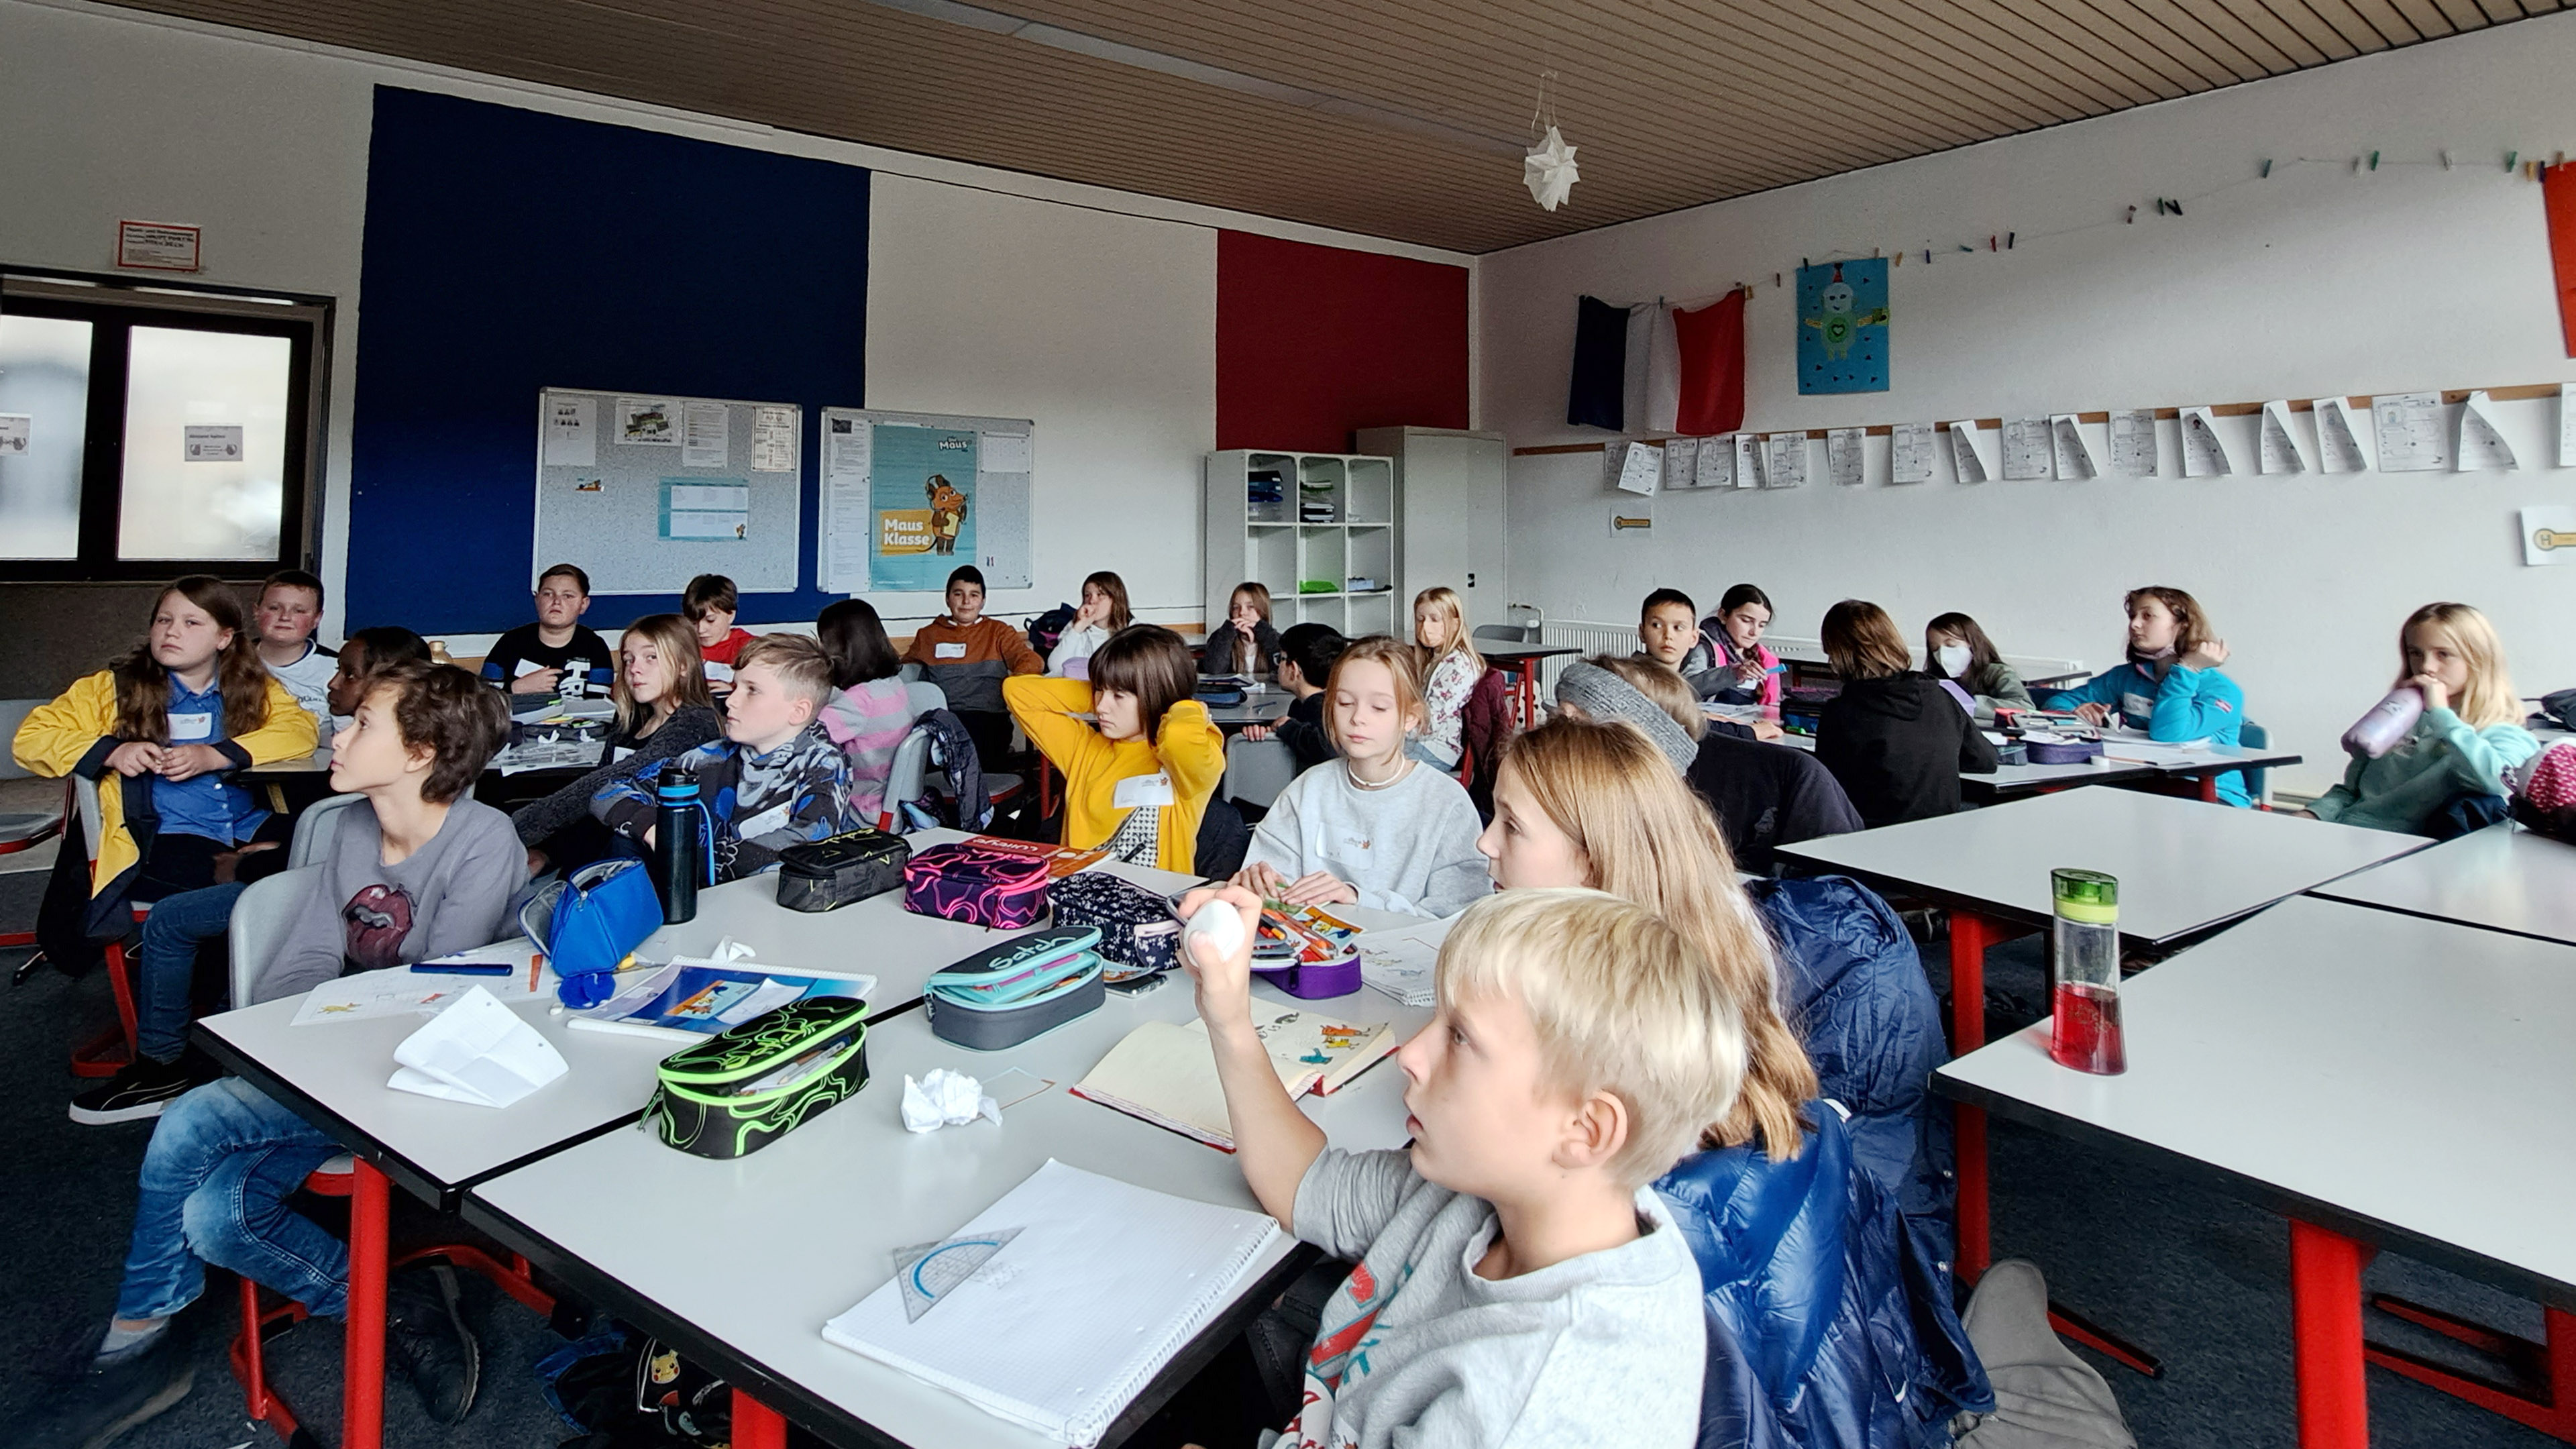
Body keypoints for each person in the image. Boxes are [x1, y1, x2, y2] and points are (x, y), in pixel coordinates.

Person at [26, 661, 522, 1447]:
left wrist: (316, 1032)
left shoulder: (483, 839)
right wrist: (290, 1043)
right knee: (214, 1217)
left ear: (422, 752)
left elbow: (436, 995)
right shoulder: (350, 825)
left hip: (414, 1075)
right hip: (334, 1064)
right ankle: (401, 1306)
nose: (341, 732)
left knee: (188, 1122)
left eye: (363, 725)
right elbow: (307, 958)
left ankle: (137, 1341)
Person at [1476, 716, 1988, 1442]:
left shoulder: (1619, 1059)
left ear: (1591, 861)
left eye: (1510, 826)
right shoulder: (1695, 972)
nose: (1484, 843)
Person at [1171, 883, 1736, 1448]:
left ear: (1586, 1130)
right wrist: (1229, 1021)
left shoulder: (1528, 1411)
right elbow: (1307, 1186)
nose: (1409, 1055)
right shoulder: (1513, 1190)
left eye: (1461, 1037)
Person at [65, 627, 430, 1128]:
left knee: (175, 919)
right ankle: (216, 1036)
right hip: (343, 888)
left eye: (347, 674)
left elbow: (348, 851)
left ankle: (166, 1065)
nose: (330, 683)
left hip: (343, 897)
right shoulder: (417, 743)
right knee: (229, 903)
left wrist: (251, 864)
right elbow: (327, 837)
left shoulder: (368, 758)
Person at [15, 577, 319, 929]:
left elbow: (300, 729)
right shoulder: (110, 688)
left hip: (243, 825)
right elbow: (31, 738)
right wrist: (112, 752)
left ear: (223, 638)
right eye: (164, 620)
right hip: (159, 836)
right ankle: (224, 968)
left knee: (325, 842)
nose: (172, 632)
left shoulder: (251, 686)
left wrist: (217, 755)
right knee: (252, 890)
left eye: (191, 623)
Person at [1235, 637, 1491, 919]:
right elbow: (1270, 884)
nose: (1358, 718)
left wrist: (1359, 899)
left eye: (1379, 708)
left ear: (1410, 717)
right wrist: (1261, 882)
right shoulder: (1308, 790)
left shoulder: (1445, 802)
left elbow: (1464, 915)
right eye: (1345, 703)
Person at [592, 635, 855, 883]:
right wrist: (652, 827)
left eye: (751, 690)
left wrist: (692, 858)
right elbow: (608, 793)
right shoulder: (713, 756)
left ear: (798, 711)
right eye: (734, 686)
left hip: (773, 905)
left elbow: (810, 838)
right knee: (623, 843)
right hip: (702, 899)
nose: (731, 700)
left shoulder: (823, 763)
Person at [513, 614, 722, 876]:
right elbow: (592, 810)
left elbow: (603, 786)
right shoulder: (630, 723)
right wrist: (547, 854)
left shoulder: (694, 724)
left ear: (683, 665)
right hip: (591, 862)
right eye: (628, 659)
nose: (634, 669)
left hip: (646, 875)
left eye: (651, 657)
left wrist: (516, 830)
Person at [1005, 625, 1222, 873]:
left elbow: (1178, 737)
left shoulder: (1185, 759)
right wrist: (1103, 689)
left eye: (1119, 696)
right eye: (1099, 690)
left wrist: (1185, 706)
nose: (1101, 708)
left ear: (1158, 695)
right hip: (1079, 897)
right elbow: (1018, 692)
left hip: (1153, 903)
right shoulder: (1085, 749)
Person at [2309, 602, 2539, 833]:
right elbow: (2352, 792)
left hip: (2412, 852)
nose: (2426, 667)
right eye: (2416, 653)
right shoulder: (2399, 720)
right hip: (2348, 833)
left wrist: (2441, 715)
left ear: (2478, 659)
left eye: (2444, 654)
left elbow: (2496, 783)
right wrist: (2315, 814)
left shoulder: (2505, 733)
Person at [2042, 585, 2251, 806]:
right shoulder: (2126, 677)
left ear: (2182, 625)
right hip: (2142, 787)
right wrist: (2075, 714)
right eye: (2133, 616)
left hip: (2210, 796)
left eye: (2148, 616)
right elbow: (2055, 704)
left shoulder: (2222, 691)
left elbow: (2169, 732)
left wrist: (2188, 669)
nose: (2134, 624)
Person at [1815, 600, 1997, 828]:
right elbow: (1986, 761)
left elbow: (1827, 788)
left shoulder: (1842, 712)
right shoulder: (1940, 696)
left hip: (1870, 838)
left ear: (1837, 654)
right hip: (1944, 835)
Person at [904, 564, 1043, 769]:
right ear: (948, 599)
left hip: (988, 720)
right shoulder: (928, 635)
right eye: (959, 594)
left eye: (974, 595)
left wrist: (1016, 680)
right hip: (944, 719)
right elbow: (905, 673)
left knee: (974, 754)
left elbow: (1031, 661)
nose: (966, 602)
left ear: (983, 601)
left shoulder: (999, 632)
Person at [816, 598, 920, 824]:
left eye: (823, 643)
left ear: (840, 648)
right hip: (890, 810)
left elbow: (807, 738)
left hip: (859, 815)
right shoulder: (893, 685)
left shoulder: (858, 702)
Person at [480, 564, 612, 698]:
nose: (556, 602)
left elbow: (600, 703)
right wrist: (516, 688)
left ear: (583, 604)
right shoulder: (510, 643)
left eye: (567, 596)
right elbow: (483, 701)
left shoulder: (595, 647)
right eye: (548, 594)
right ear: (537, 600)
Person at [1238, 621, 1345, 771]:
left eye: (1281, 659)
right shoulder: (1301, 704)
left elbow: (1326, 748)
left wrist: (1287, 728)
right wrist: (1269, 736)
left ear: (1294, 669)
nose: (1278, 666)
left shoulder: (1319, 706)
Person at [252, 569, 339, 739]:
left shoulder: (336, 669)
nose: (285, 617)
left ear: (317, 619)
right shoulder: (232, 659)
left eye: (299, 611)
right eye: (274, 608)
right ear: (257, 611)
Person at [1411, 584, 1485, 769]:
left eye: (1435, 620)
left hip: (1436, 749)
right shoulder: (1434, 659)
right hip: (1420, 740)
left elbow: (1431, 722)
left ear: (1455, 623)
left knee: (1375, 765)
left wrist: (1389, 730)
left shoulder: (1458, 666)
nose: (1425, 627)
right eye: (1420, 619)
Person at [1923, 611, 2034, 724]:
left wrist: (1972, 704)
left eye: (1951, 645)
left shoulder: (1999, 673)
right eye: (1935, 649)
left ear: (1972, 642)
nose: (1942, 654)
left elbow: (2025, 707)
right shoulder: (1932, 679)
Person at [1700, 583, 1784, 710]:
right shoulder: (1704, 647)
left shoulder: (1765, 657)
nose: (1754, 632)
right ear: (1723, 616)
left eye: (1762, 625)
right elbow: (1685, 689)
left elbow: (1772, 707)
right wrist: (1733, 673)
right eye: (1746, 621)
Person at [1046, 570, 1133, 680]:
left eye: (1100, 595)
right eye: (1087, 595)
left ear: (1115, 599)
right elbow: (1055, 667)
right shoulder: (1076, 627)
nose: (1092, 601)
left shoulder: (1132, 630)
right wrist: (1079, 627)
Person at [683, 573, 757, 687]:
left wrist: (732, 692)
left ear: (730, 615)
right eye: (693, 623)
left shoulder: (751, 648)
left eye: (710, 620)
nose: (701, 630)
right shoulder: (682, 646)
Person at [1201, 582, 1281, 680]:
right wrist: (1227, 633)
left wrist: (1264, 633)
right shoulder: (1221, 636)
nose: (1242, 613)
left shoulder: (1275, 639)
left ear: (1263, 610)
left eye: (1250, 607)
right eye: (1236, 608)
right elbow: (1214, 670)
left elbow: (1283, 671)